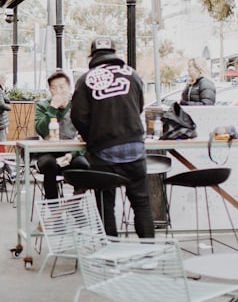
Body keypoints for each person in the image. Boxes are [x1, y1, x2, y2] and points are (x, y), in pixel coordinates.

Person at [70, 36, 154, 239]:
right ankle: (150, 255)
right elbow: (140, 106)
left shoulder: (86, 79)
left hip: (104, 151)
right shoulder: (132, 75)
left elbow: (78, 116)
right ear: (115, 54)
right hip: (135, 147)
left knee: (106, 204)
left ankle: (111, 255)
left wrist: (93, 137)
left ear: (91, 56)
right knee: (141, 203)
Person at [34, 70, 89, 200]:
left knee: (83, 165)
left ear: (70, 88)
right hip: (48, 152)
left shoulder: (78, 105)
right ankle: (53, 209)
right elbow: (41, 130)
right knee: (49, 165)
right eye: (54, 88)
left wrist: (72, 154)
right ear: (49, 90)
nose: (58, 91)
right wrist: (53, 108)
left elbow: (85, 134)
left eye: (62, 87)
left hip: (72, 152)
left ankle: (74, 203)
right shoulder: (43, 105)